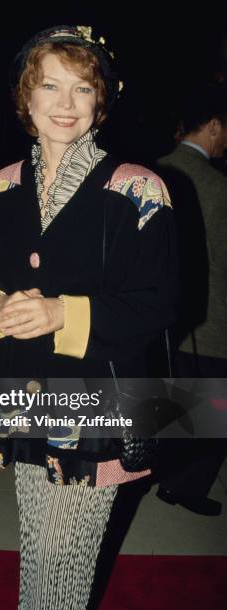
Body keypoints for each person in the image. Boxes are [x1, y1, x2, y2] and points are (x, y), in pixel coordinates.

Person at [0, 25, 177, 610]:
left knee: (66, 561)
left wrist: (62, 312)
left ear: (100, 99)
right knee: (36, 541)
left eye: (81, 89)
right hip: (22, 386)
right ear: (24, 98)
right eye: (49, 86)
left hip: (99, 393)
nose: (64, 105)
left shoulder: (138, 188)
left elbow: (163, 301)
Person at [156, 83, 227, 516]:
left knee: (167, 396)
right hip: (210, 319)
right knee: (212, 408)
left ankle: (156, 470)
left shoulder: (147, 170)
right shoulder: (218, 188)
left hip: (156, 316)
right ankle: (183, 486)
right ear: (215, 127)